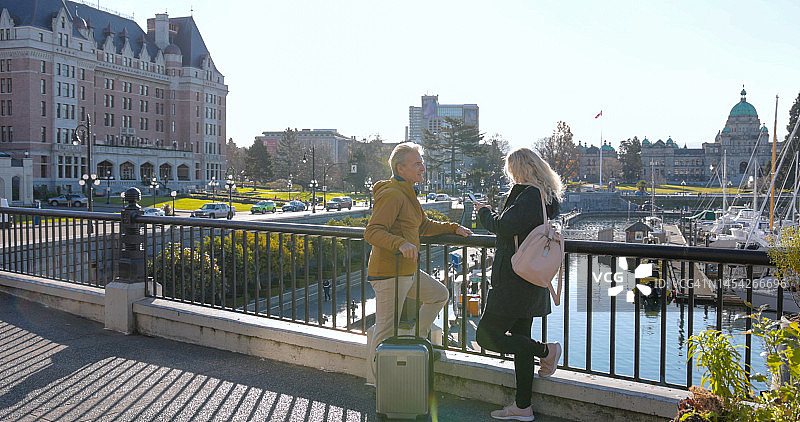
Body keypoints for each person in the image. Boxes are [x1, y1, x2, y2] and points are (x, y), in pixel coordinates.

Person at [363, 142, 472, 384]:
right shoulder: (392, 194)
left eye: (422, 162)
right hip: (390, 273)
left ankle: (415, 339)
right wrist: (400, 243)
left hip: (407, 271)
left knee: (439, 294)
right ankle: (374, 382)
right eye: (417, 164)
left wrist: (453, 227)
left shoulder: (408, 191)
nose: (422, 167)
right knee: (384, 329)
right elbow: (372, 232)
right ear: (400, 168)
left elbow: (422, 226)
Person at [471, 147, 564, 421]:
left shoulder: (530, 195)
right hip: (529, 279)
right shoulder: (545, 196)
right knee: (520, 343)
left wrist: (484, 213)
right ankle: (523, 407)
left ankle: (547, 350)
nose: (509, 175)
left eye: (511, 170)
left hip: (514, 282)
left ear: (519, 169)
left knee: (485, 336)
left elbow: (504, 226)